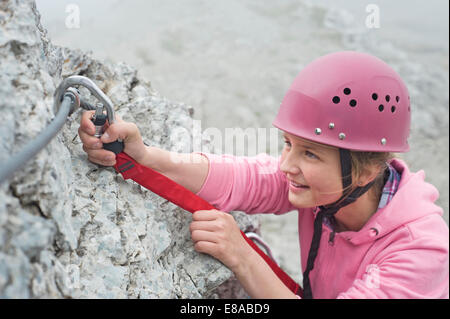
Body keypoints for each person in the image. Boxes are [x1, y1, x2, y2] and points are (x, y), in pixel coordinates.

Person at [78, 51, 449, 299]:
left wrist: (243, 256)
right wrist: (146, 156)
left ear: (367, 168)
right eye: (288, 144)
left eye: (310, 153)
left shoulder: (419, 250)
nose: (287, 165)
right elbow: (246, 179)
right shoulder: (330, 189)